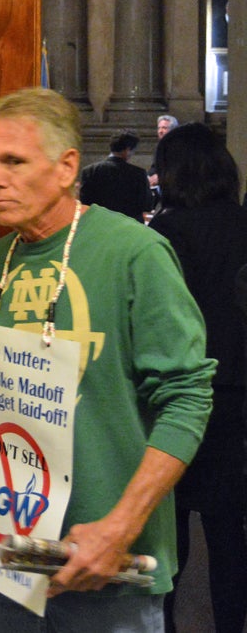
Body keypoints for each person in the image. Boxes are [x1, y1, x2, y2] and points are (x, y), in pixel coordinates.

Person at [0, 87, 214, 631]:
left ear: (66, 167)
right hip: (11, 555)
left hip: (108, 564)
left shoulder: (135, 252)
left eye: (13, 161)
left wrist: (120, 526)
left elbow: (188, 398)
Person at [147, 122, 247, 633]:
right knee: (230, 532)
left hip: (177, 395)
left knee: (170, 528)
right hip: (237, 395)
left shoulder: (163, 234)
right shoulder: (242, 222)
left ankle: (165, 624)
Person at [78, 129, 152, 221]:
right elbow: (147, 205)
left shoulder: (89, 171)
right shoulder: (138, 173)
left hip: (99, 224)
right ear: (128, 150)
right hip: (130, 228)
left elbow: (84, 204)